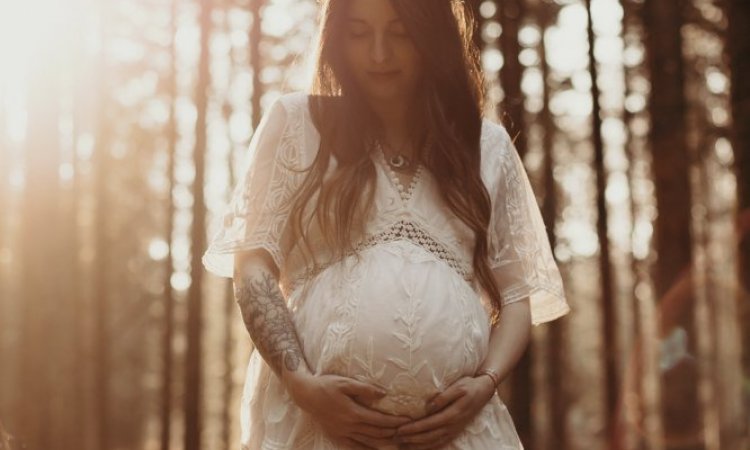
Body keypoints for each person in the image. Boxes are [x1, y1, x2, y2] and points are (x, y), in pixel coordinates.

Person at [202, 0, 570, 448]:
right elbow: (254, 265)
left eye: (398, 33)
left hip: (459, 434)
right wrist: (301, 384)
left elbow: (516, 296)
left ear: (431, 37)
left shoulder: (484, 146)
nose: (378, 53)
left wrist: (484, 384)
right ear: (337, 40)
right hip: (317, 426)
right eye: (359, 33)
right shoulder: (298, 124)